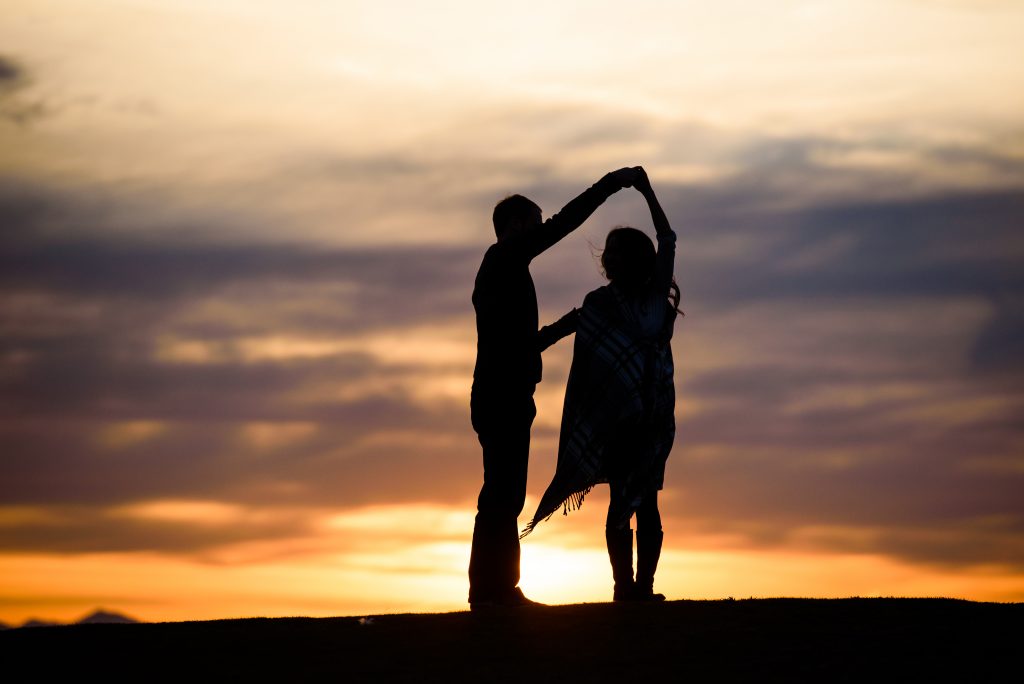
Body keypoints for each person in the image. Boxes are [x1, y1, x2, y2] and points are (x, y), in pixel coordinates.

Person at [469, 167, 642, 609]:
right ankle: (494, 592)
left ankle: (493, 590)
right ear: (516, 225)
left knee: (504, 493)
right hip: (501, 395)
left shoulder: (503, 271)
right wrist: (612, 183)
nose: (542, 231)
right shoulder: (504, 260)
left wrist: (569, 324)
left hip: (505, 392)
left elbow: (519, 343)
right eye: (535, 224)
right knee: (501, 495)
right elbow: (568, 221)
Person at [522, 167, 679, 602]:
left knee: (642, 502)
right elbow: (581, 359)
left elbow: (668, 240)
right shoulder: (601, 304)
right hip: (621, 420)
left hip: (650, 415)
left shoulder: (649, 299)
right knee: (632, 502)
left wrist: (647, 191)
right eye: (609, 253)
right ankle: (627, 589)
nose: (609, 259)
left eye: (615, 253)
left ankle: (637, 589)